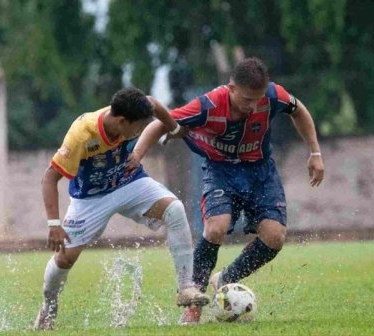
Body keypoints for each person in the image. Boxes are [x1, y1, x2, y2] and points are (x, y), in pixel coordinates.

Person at [128, 57, 325, 324]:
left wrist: (315, 152)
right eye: (246, 99)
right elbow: (159, 123)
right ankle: (194, 303)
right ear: (231, 88)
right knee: (215, 228)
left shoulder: (274, 95)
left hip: (260, 172)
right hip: (220, 171)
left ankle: (225, 279)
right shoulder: (208, 105)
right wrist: (138, 155)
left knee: (275, 238)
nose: (252, 106)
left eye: (257, 100)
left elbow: (298, 109)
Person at [34, 87, 209, 330]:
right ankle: (48, 309)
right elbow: (49, 178)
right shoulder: (82, 134)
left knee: (175, 210)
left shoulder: (134, 110)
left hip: (129, 181)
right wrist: (54, 224)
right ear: (121, 121)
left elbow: (155, 105)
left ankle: (186, 287)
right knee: (65, 259)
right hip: (90, 199)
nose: (138, 131)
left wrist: (174, 129)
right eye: (136, 127)